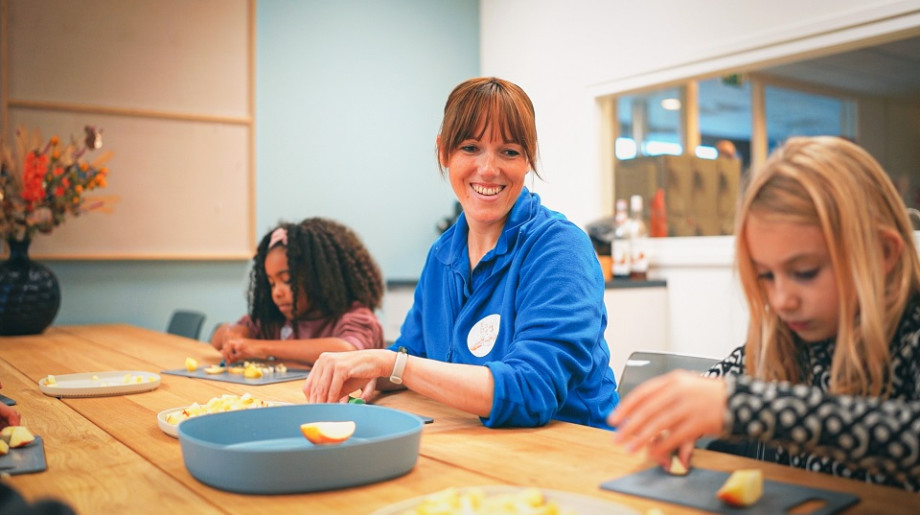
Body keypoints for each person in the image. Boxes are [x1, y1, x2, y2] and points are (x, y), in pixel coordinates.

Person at [302, 77, 619, 429]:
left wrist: (390, 365)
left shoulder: (559, 248)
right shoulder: (443, 254)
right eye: (470, 147)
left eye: (509, 151)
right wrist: (368, 372)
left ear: (527, 160)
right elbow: (413, 353)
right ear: (444, 152)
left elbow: (532, 390)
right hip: (480, 444)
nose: (489, 169)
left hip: (576, 448)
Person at [609, 136, 920, 491]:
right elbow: (724, 382)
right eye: (766, 276)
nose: (782, 301)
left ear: (883, 254)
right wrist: (682, 412)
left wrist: (741, 406)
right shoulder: (790, 335)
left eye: (805, 272)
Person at [211, 217, 385, 366]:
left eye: (286, 280)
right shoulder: (277, 320)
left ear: (318, 276)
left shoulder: (356, 317)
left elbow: (348, 350)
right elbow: (216, 340)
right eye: (272, 283)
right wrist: (235, 333)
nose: (277, 292)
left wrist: (262, 347)